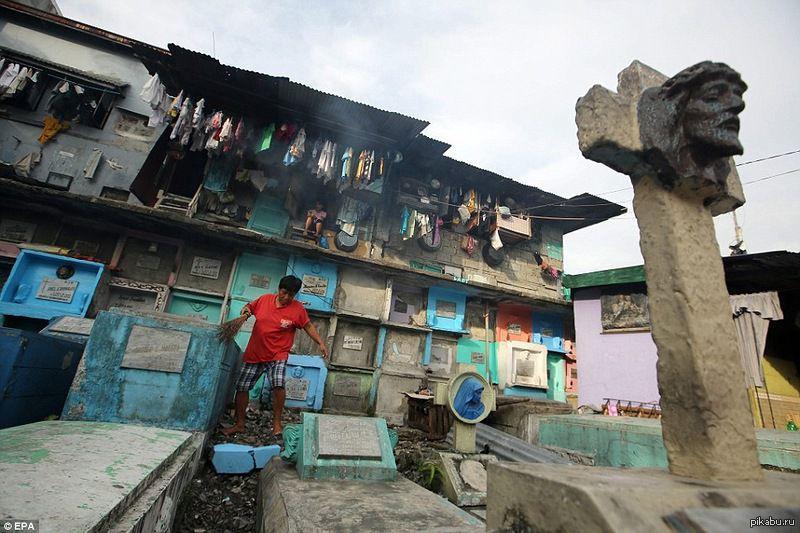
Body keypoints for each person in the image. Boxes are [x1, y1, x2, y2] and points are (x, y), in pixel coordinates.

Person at [222, 275, 328, 436]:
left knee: (278, 385)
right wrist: (246, 310)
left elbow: (308, 326)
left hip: (277, 354)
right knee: (242, 387)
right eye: (284, 292)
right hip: (255, 352)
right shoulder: (264, 300)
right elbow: (249, 307)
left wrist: (320, 342)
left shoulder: (298, 309)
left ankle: (277, 424)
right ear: (279, 289)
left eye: (291, 295)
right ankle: (240, 424)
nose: (286, 297)